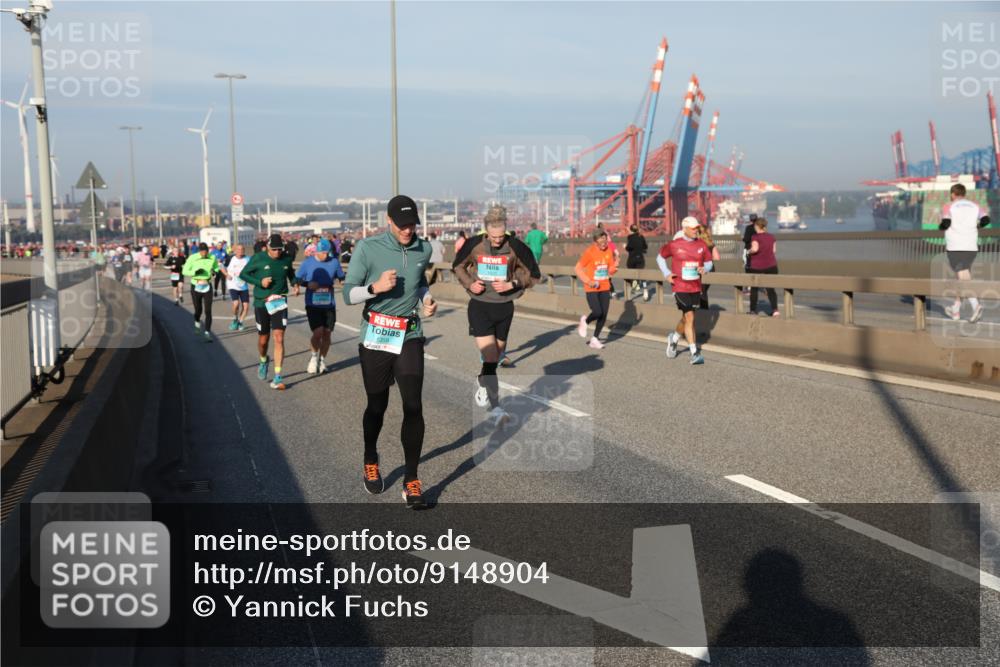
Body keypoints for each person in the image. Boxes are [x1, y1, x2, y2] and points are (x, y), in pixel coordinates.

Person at [342, 194, 437, 509]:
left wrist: (426, 298)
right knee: (376, 405)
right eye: (402, 225)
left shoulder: (423, 248)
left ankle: (411, 480)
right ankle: (371, 456)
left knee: (413, 405)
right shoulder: (368, 248)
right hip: (376, 334)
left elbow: (419, 281)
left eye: (412, 225)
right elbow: (347, 294)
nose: (408, 230)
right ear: (389, 221)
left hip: (409, 332)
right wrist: (374, 289)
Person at [452, 205, 539, 425]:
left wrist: (513, 283)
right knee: (490, 356)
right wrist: (471, 284)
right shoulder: (474, 244)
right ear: (486, 231)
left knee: (496, 358)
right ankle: (496, 407)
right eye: (493, 237)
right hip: (480, 306)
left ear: (506, 230)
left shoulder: (516, 247)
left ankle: (482, 379)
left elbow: (535, 275)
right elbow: (458, 266)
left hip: (504, 307)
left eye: (501, 237)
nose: (497, 241)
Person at [240, 233, 300, 390]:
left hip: (279, 302)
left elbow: (290, 274)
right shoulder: (258, 258)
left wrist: (295, 284)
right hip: (262, 303)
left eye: (280, 249)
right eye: (274, 249)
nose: (277, 252)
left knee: (279, 338)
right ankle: (263, 359)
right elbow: (243, 274)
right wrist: (259, 282)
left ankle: (278, 376)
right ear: (267, 247)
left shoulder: (286, 259)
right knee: (263, 340)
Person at [658, 217, 710, 364]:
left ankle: (674, 338)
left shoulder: (701, 244)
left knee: (687, 317)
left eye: (697, 228)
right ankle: (694, 353)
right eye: (693, 228)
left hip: (695, 286)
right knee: (690, 317)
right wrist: (667, 273)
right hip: (679, 286)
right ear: (684, 228)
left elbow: (709, 262)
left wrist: (705, 268)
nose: (696, 230)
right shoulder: (674, 244)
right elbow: (660, 257)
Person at [940, 183, 990, 323]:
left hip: (956, 245)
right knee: (962, 276)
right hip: (971, 245)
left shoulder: (948, 206)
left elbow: (945, 223)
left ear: (952, 194)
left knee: (963, 276)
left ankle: (976, 305)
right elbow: (986, 220)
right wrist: (976, 226)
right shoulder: (975, 206)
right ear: (964, 193)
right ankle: (955, 309)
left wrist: (940, 227)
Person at [296, 238, 346, 374]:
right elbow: (296, 278)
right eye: (324, 252)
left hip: (329, 303)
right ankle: (313, 358)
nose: (326, 255)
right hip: (312, 303)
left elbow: (341, 276)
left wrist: (343, 281)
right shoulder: (308, 263)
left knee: (327, 334)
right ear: (317, 252)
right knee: (318, 332)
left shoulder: (334, 262)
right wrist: (307, 284)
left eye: (328, 252)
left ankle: (322, 360)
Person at [575, 230, 617, 349]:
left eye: (605, 240)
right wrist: (589, 281)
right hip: (591, 287)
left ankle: (595, 339)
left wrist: (614, 268)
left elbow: (609, 269)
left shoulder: (609, 251)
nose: (604, 243)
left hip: (605, 286)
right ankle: (585, 321)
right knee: (597, 312)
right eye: (601, 241)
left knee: (603, 315)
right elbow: (577, 269)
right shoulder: (590, 252)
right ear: (595, 242)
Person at [182, 242, 221, 342]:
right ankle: (197, 320)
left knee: (208, 310)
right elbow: (184, 271)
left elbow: (216, 267)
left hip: (207, 286)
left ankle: (207, 333)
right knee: (198, 309)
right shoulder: (192, 257)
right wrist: (195, 272)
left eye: (206, 251)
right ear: (199, 251)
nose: (204, 253)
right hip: (196, 286)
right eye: (202, 251)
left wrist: (214, 272)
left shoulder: (212, 257)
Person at [747, 216, 780, 317]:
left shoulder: (755, 237)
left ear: (757, 226)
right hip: (771, 265)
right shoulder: (771, 237)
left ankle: (753, 310)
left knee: (754, 288)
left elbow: (755, 249)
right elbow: (774, 251)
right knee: (770, 289)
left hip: (757, 266)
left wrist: (749, 251)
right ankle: (775, 310)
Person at [225, 244, 251, 330]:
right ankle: (234, 319)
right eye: (238, 249)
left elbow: (254, 268)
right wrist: (226, 274)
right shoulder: (230, 258)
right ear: (235, 250)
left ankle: (240, 322)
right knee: (236, 304)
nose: (240, 251)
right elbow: (221, 266)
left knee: (246, 306)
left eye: (242, 249)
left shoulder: (248, 259)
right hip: (232, 284)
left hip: (243, 285)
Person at [624, 224, 649, 301]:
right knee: (641, 275)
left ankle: (635, 287)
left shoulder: (630, 237)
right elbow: (645, 247)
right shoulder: (641, 237)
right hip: (640, 258)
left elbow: (629, 247)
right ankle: (645, 290)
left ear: (631, 230)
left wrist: (625, 246)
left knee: (632, 274)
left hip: (632, 258)